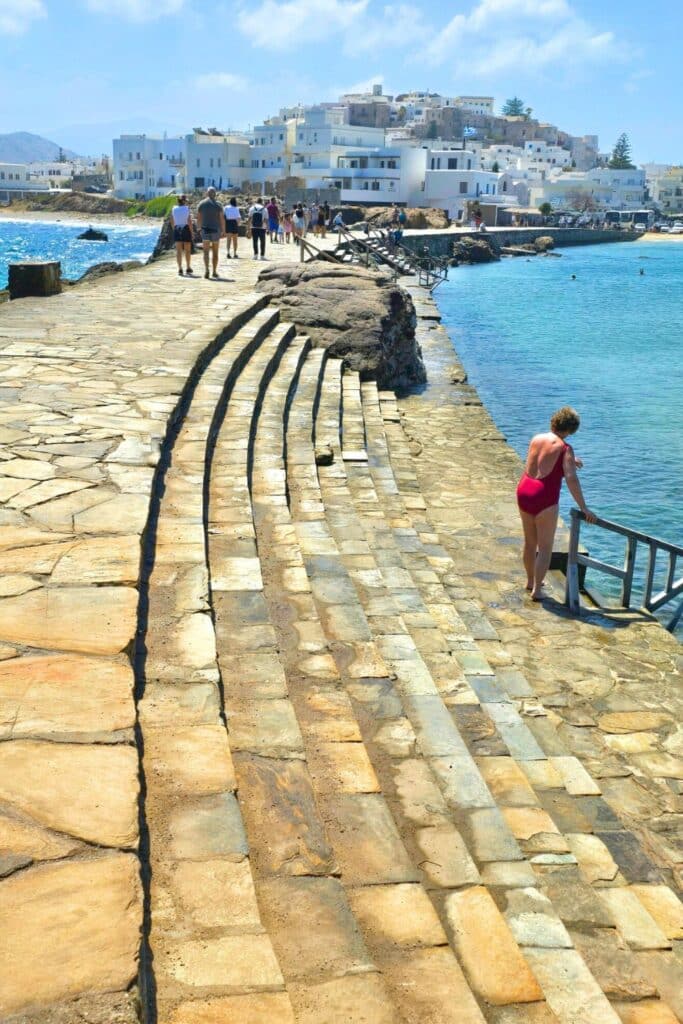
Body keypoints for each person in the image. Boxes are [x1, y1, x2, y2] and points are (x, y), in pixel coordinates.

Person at [516, 407, 596, 601]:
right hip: (544, 497)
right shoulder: (565, 449)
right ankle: (537, 590)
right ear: (571, 429)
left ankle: (529, 581)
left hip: (524, 490)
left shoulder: (536, 438)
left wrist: (570, 460)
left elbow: (543, 458)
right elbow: (571, 478)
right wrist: (584, 507)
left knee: (529, 542)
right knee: (545, 547)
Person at [196, 187, 224, 279]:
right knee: (215, 252)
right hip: (215, 230)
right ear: (215, 194)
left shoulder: (201, 204)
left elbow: (198, 218)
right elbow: (221, 219)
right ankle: (214, 271)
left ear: (207, 193)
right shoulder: (218, 205)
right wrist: (223, 230)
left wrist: (199, 229)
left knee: (206, 252)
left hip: (205, 230)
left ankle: (206, 270)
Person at [171, 195, 193, 276]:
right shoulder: (187, 209)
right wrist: (192, 233)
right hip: (185, 229)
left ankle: (180, 268)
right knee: (187, 250)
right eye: (186, 201)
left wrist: (174, 229)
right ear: (184, 201)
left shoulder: (174, 208)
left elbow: (172, 220)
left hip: (177, 229)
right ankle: (188, 267)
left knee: (179, 251)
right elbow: (189, 221)